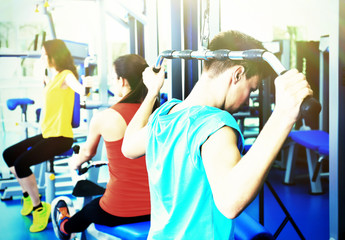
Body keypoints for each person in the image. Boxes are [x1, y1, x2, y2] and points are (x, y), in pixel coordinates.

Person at [121, 30, 313, 239]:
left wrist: (151, 93)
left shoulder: (165, 114)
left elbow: (128, 146)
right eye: (251, 89)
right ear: (237, 74)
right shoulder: (216, 126)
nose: (248, 100)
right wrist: (283, 115)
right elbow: (230, 202)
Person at [50, 54, 155, 240]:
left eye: (114, 78)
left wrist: (74, 163)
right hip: (157, 209)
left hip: (119, 211)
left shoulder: (105, 117)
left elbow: (87, 153)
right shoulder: (159, 114)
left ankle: (66, 227)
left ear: (122, 81)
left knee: (91, 209)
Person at [2, 39, 92, 233]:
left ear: (54, 55)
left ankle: (39, 208)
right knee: (9, 154)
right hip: (48, 134)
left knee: (21, 164)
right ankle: (27, 195)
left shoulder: (67, 75)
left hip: (60, 138)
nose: (43, 57)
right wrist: (43, 75)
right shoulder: (56, 77)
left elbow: (80, 89)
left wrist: (88, 84)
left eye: (45, 54)